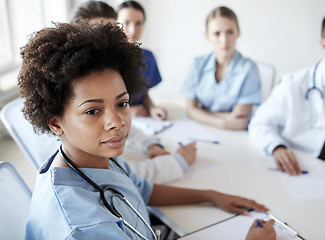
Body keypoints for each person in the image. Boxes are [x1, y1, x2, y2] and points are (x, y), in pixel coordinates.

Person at [21, 22, 275, 239]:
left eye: (122, 103)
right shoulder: (83, 228)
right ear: (55, 123)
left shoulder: (95, 158)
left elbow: (138, 189)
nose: (116, 122)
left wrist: (212, 195)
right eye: (92, 111)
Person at [71, 0, 196, 184]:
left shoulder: (104, 76)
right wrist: (178, 162)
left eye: (110, 37)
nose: (106, 47)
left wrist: (150, 145)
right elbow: (114, 175)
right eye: (96, 39)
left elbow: (116, 123)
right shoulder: (74, 95)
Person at [249, 6, 325, 175]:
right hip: (304, 167)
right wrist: (277, 147)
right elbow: (259, 123)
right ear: (324, 44)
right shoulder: (293, 84)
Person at [181, 6, 261, 130]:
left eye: (229, 32)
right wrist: (223, 122)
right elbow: (190, 109)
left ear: (238, 32)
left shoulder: (249, 69)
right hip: (202, 129)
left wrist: (200, 111)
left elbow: (240, 118)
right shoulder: (197, 64)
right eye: (217, 33)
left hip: (236, 136)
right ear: (207, 36)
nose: (224, 40)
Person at [117, 0, 167, 120]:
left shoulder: (148, 57)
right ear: (115, 22)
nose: (133, 29)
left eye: (138, 23)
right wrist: (127, 110)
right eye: (126, 22)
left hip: (142, 120)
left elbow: (143, 93)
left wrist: (152, 108)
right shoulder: (105, 57)